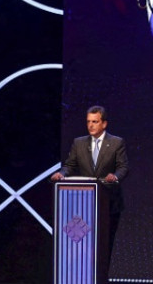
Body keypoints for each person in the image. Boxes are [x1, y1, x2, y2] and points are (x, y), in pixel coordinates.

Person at [51, 105, 129, 273]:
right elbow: (69, 166)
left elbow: (123, 167)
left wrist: (114, 177)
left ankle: (101, 280)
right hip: (84, 205)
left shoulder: (116, 143)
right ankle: (83, 278)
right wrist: (61, 174)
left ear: (104, 124)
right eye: (88, 122)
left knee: (104, 243)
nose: (91, 125)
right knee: (84, 243)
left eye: (95, 122)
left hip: (109, 203)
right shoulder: (79, 143)